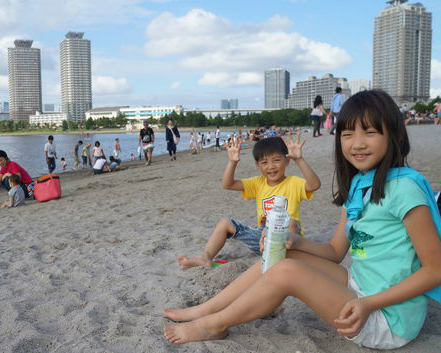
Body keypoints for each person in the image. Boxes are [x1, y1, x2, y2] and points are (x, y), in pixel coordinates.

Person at [164, 90, 441, 350]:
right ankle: (206, 310)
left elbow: (435, 271)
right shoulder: (359, 184)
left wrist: (369, 304)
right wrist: (292, 241)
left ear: (392, 134)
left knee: (287, 271)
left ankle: (214, 324)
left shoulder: (404, 189)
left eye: (369, 132)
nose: (357, 143)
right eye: (347, 134)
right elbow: (333, 252)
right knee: (284, 253)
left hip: (387, 317)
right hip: (360, 286)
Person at [178, 134, 321, 270]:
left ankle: (283, 258)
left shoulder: (294, 183)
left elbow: (314, 185)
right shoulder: (258, 183)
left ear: (287, 160)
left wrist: (299, 159)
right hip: (262, 239)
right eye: (264, 162)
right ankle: (205, 256)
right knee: (225, 223)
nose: (271, 166)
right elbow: (228, 184)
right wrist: (232, 162)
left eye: (276, 160)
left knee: (290, 222)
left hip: (289, 238)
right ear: (257, 166)